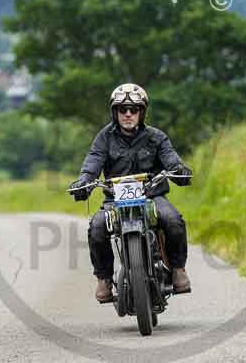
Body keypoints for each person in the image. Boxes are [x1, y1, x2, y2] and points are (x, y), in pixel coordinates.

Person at [69, 83, 193, 302]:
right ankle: (104, 280)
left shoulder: (157, 137)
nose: (127, 114)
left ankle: (177, 269)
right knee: (97, 227)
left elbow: (171, 159)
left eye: (133, 109)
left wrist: (178, 170)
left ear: (141, 112)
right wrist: (84, 182)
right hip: (115, 201)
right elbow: (92, 163)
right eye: (122, 109)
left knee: (173, 220)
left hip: (152, 197)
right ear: (115, 112)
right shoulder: (104, 138)